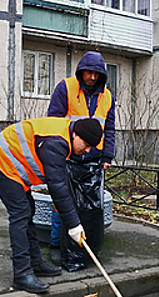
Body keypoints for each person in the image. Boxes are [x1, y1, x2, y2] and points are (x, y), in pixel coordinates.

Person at [0, 117, 102, 293]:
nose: (86, 150)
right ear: (76, 135)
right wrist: (74, 225)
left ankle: (35, 263)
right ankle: (22, 274)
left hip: (15, 166)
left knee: (28, 210)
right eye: (86, 144)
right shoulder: (55, 143)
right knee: (20, 215)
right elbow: (58, 188)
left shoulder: (65, 136)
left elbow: (59, 185)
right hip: (2, 160)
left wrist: (73, 223)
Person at [47, 51, 115, 265]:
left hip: (94, 159)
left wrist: (107, 155)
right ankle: (57, 245)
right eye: (88, 72)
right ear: (81, 71)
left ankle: (86, 248)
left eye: (96, 74)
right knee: (62, 202)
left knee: (90, 206)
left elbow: (110, 128)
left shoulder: (107, 97)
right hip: (68, 154)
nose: (92, 77)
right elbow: (53, 122)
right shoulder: (65, 88)